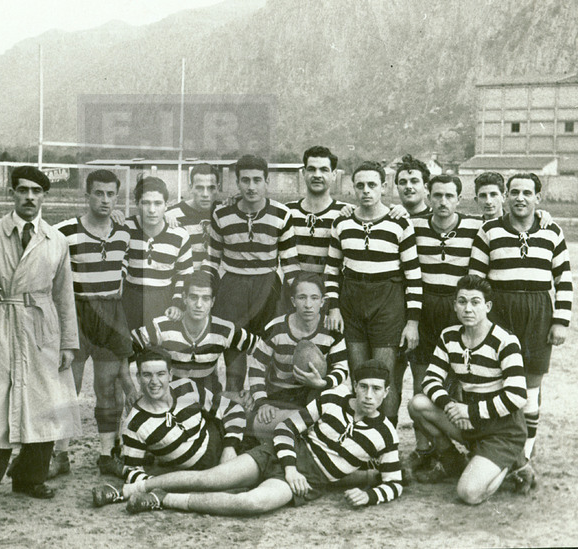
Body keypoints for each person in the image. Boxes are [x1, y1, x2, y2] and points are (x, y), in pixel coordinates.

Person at [120, 360, 402, 516]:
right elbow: (285, 429)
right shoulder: (332, 401)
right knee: (211, 478)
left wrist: (369, 496)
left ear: (387, 392)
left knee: (250, 503)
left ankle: (163, 499)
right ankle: (133, 489)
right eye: (363, 386)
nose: (368, 395)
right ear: (354, 385)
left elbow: (395, 483)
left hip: (308, 480)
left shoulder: (386, 433)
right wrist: (290, 467)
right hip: (279, 454)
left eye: (376, 389)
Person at [0, 166, 81, 507]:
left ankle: (29, 478)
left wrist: (68, 343)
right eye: (23, 190)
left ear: (45, 196)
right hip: (2, 323)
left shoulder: (56, 239)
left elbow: (64, 294)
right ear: (12, 193)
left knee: (42, 402)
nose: (30, 197)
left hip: (42, 326)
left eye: (37, 191)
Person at [469, 172, 572, 491]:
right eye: (514, 192)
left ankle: (524, 455)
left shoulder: (552, 231)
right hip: (500, 313)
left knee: (529, 386)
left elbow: (564, 280)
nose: (520, 198)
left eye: (527, 192)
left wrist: (560, 320)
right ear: (506, 195)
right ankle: (505, 453)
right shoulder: (489, 231)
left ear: (538, 198)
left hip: (538, 313)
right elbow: (476, 279)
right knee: (500, 381)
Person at [408, 275, 528, 504]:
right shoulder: (449, 336)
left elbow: (517, 396)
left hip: (502, 428)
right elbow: (430, 379)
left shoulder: (505, 341)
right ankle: (453, 461)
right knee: (417, 404)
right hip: (469, 419)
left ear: (488, 306)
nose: (468, 308)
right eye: (462, 301)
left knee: (468, 494)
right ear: (454, 306)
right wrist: (452, 406)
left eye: (475, 302)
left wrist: (470, 412)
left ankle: (511, 463)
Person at [324, 161, 422, 426]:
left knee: (384, 375)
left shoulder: (399, 223)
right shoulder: (342, 222)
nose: (366, 191)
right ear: (352, 188)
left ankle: (386, 439)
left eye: (372, 185)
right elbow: (332, 271)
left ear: (383, 187)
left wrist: (412, 322)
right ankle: (361, 436)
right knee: (358, 375)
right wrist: (333, 307)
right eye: (360, 185)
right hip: (352, 301)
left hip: (388, 301)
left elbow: (414, 277)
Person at [90, 349, 246, 507]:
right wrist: (159, 483)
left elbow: (232, 409)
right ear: (138, 378)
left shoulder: (186, 387)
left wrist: (230, 447)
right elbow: (134, 470)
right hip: (197, 471)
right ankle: (125, 482)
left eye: (161, 374)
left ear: (170, 375)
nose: (154, 381)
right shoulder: (135, 424)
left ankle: (119, 476)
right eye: (147, 375)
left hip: (230, 438)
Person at [54, 169, 133, 476]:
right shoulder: (65, 231)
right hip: (76, 312)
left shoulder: (124, 232)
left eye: (111, 194)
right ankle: (59, 456)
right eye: (98, 193)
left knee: (107, 387)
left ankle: (106, 455)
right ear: (86, 196)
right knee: (67, 388)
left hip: (111, 312)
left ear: (117, 196)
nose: (105, 200)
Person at [201, 154, 299, 398]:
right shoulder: (221, 215)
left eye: (257, 180)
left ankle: (262, 424)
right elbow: (211, 262)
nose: (251, 186)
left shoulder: (282, 214)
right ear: (237, 182)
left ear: (267, 181)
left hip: (269, 290)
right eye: (245, 180)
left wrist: (296, 302)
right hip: (232, 288)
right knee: (234, 360)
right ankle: (234, 421)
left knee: (269, 358)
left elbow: (290, 266)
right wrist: (205, 297)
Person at [404, 175, 483, 473]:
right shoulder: (413, 225)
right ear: (428, 195)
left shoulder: (476, 226)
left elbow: (505, 220)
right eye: (437, 195)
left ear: (459, 199)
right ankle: (427, 449)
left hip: (458, 308)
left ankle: (469, 450)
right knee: (424, 380)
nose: (443, 202)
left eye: (450, 196)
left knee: (462, 380)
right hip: (425, 309)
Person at [248, 272, 349, 440]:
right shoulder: (276, 328)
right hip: (279, 397)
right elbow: (256, 367)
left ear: (322, 301)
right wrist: (262, 402)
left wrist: (322, 382)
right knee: (263, 424)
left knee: (339, 400)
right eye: (302, 298)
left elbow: (341, 368)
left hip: (313, 396)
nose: (308, 304)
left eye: (314, 298)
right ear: (293, 301)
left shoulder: (331, 330)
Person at [130, 271, 260, 395]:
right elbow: (125, 348)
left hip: (208, 399)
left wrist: (254, 391)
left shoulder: (224, 330)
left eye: (205, 298)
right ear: (184, 298)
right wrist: (132, 389)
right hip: (169, 397)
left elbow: (264, 350)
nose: (199, 304)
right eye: (193, 297)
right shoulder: (163, 326)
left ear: (213, 302)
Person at [123, 176, 192, 331]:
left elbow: (185, 274)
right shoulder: (125, 228)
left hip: (163, 299)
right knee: (128, 349)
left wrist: (177, 304)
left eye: (158, 203)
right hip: (130, 297)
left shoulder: (179, 234)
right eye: (146, 203)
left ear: (166, 205)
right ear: (136, 204)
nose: (152, 210)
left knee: (158, 351)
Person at [285, 146, 350, 274]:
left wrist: (400, 210)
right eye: (311, 169)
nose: (317, 175)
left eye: (324, 170)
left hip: (332, 291)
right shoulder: (287, 211)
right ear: (303, 173)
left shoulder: (346, 212)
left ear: (334, 174)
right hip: (295, 290)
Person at [166, 163, 222, 271]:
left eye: (211, 188)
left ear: (218, 188)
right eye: (199, 188)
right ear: (191, 188)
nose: (205, 194)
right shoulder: (171, 215)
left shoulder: (224, 213)